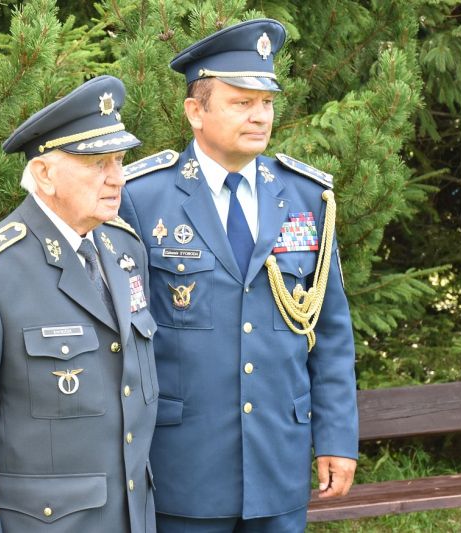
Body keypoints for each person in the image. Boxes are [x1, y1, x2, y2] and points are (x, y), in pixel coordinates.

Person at [119, 19, 358, 533]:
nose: (259, 116)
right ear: (195, 111)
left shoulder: (306, 197)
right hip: (184, 469)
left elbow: (331, 332)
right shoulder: (141, 198)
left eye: (266, 102)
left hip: (279, 463)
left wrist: (337, 437)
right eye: (241, 102)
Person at [0, 75, 159, 532]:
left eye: (119, 160)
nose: (117, 177)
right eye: (97, 163)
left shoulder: (124, 249)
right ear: (45, 174)